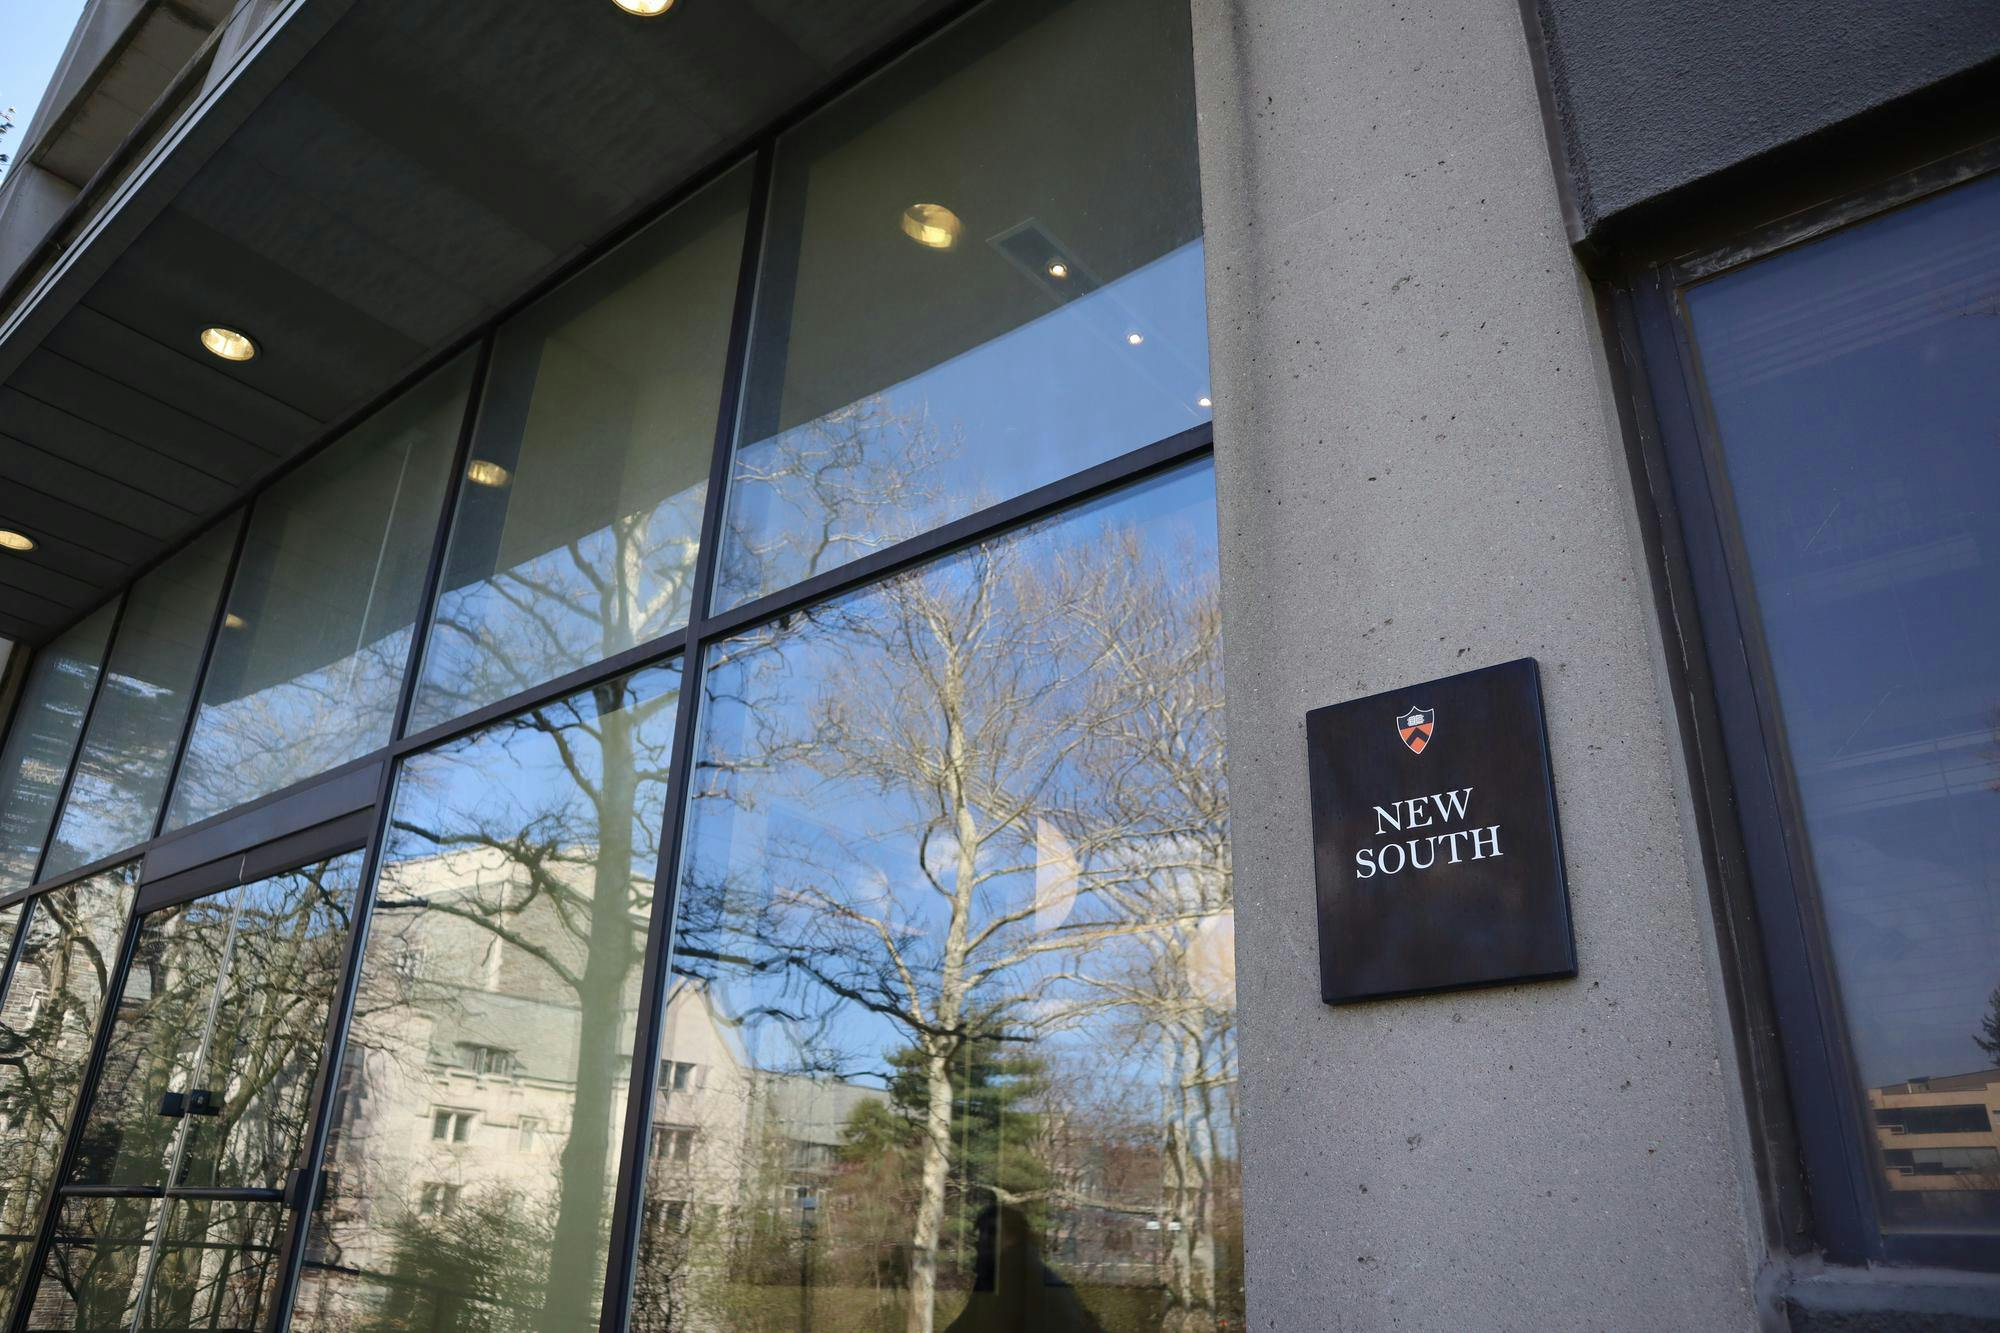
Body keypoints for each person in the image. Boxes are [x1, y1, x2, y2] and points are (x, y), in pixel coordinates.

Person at [943, 1203, 1105, 1333]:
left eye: (992, 1232)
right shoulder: (993, 1277)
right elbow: (967, 1324)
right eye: (981, 1233)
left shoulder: (1023, 1279)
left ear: (1016, 1237)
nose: (982, 1240)